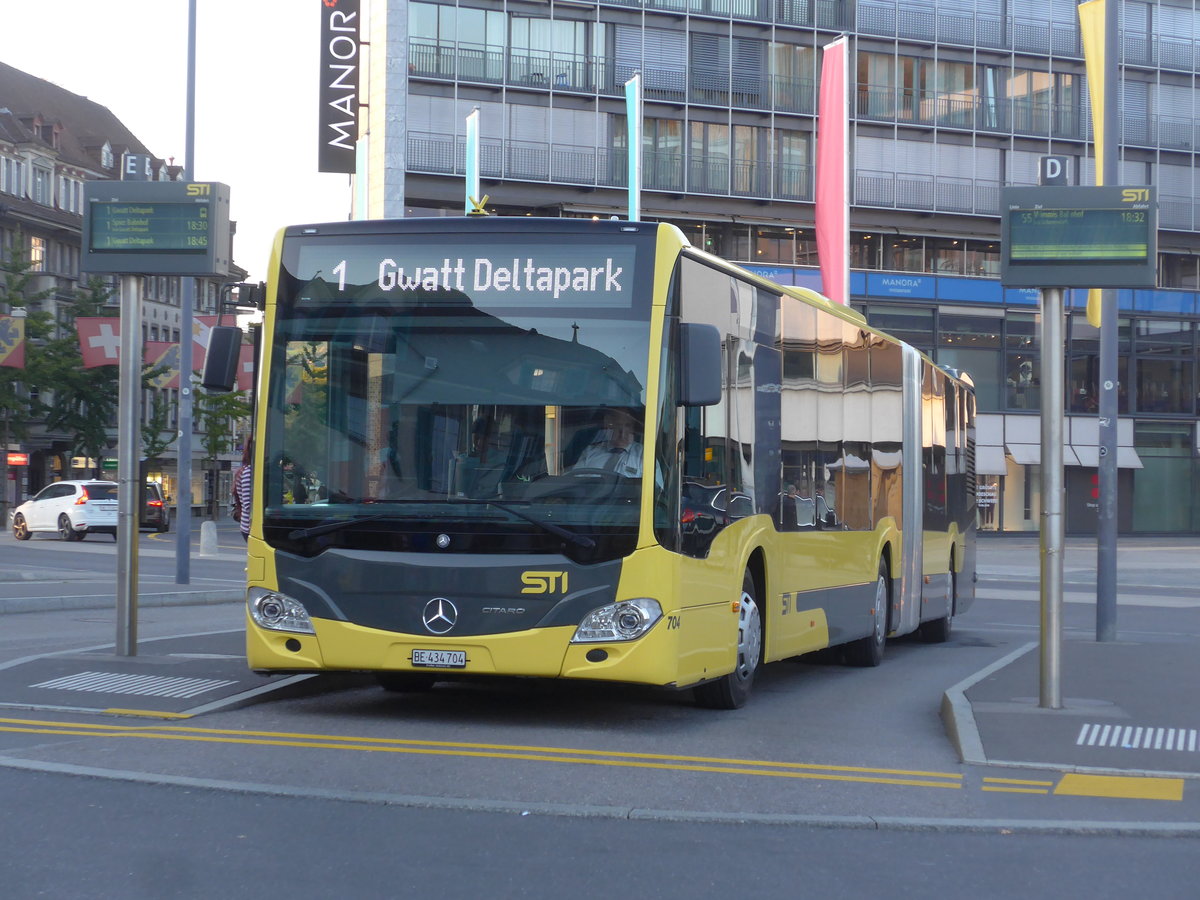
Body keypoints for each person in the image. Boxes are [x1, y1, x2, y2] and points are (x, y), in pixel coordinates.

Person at [571, 409, 644, 477]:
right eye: (618, 425)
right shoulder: (590, 452)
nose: (622, 432)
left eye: (627, 426)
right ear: (608, 426)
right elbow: (575, 480)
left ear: (633, 429)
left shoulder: (643, 454)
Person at [234, 439, 253, 542]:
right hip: (249, 527)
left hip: (248, 526)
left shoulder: (248, 470)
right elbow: (248, 504)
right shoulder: (248, 472)